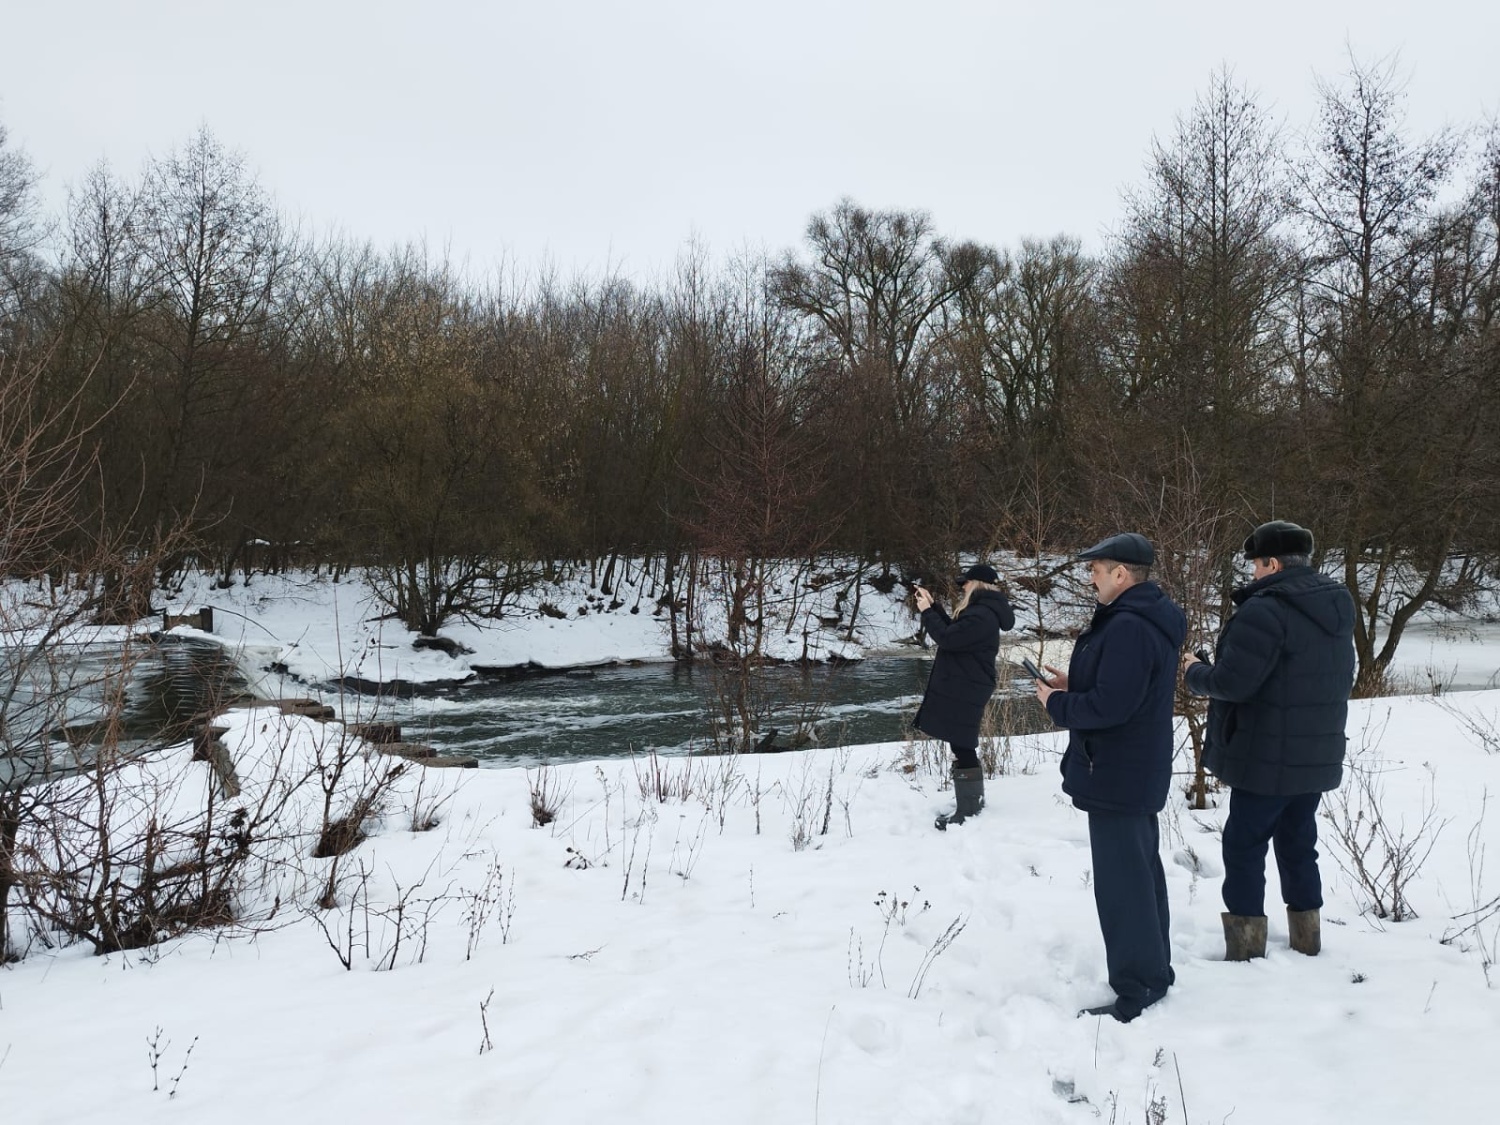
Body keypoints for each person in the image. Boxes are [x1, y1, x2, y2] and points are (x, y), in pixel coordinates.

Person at [1182, 520, 1355, 960]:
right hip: (1315, 752)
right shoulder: (1337, 604)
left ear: (1272, 563)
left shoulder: (1264, 610)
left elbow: (1231, 683)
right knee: (1299, 843)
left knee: (1243, 846)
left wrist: (1193, 671)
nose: (1253, 574)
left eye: (1256, 565)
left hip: (1263, 757)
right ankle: (1307, 937)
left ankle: (1245, 947)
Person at [1035, 532, 1185, 1023]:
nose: (1091, 578)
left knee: (1124, 886)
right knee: (1139, 877)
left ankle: (1138, 986)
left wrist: (1056, 703)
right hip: (1130, 770)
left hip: (1118, 771)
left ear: (1121, 574)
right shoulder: (1141, 619)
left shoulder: (1128, 627)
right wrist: (1073, 683)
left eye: (1096, 570)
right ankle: (1152, 973)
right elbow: (1123, 689)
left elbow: (1111, 707)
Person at [912, 563, 1016, 830]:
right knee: (961, 741)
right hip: (968, 683)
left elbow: (947, 638)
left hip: (968, 684)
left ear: (978, 585)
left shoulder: (982, 615)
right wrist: (934, 608)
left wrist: (926, 613)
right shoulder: (982, 613)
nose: (963, 588)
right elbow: (954, 635)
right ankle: (969, 805)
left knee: (962, 742)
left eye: (966, 583)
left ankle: (969, 810)